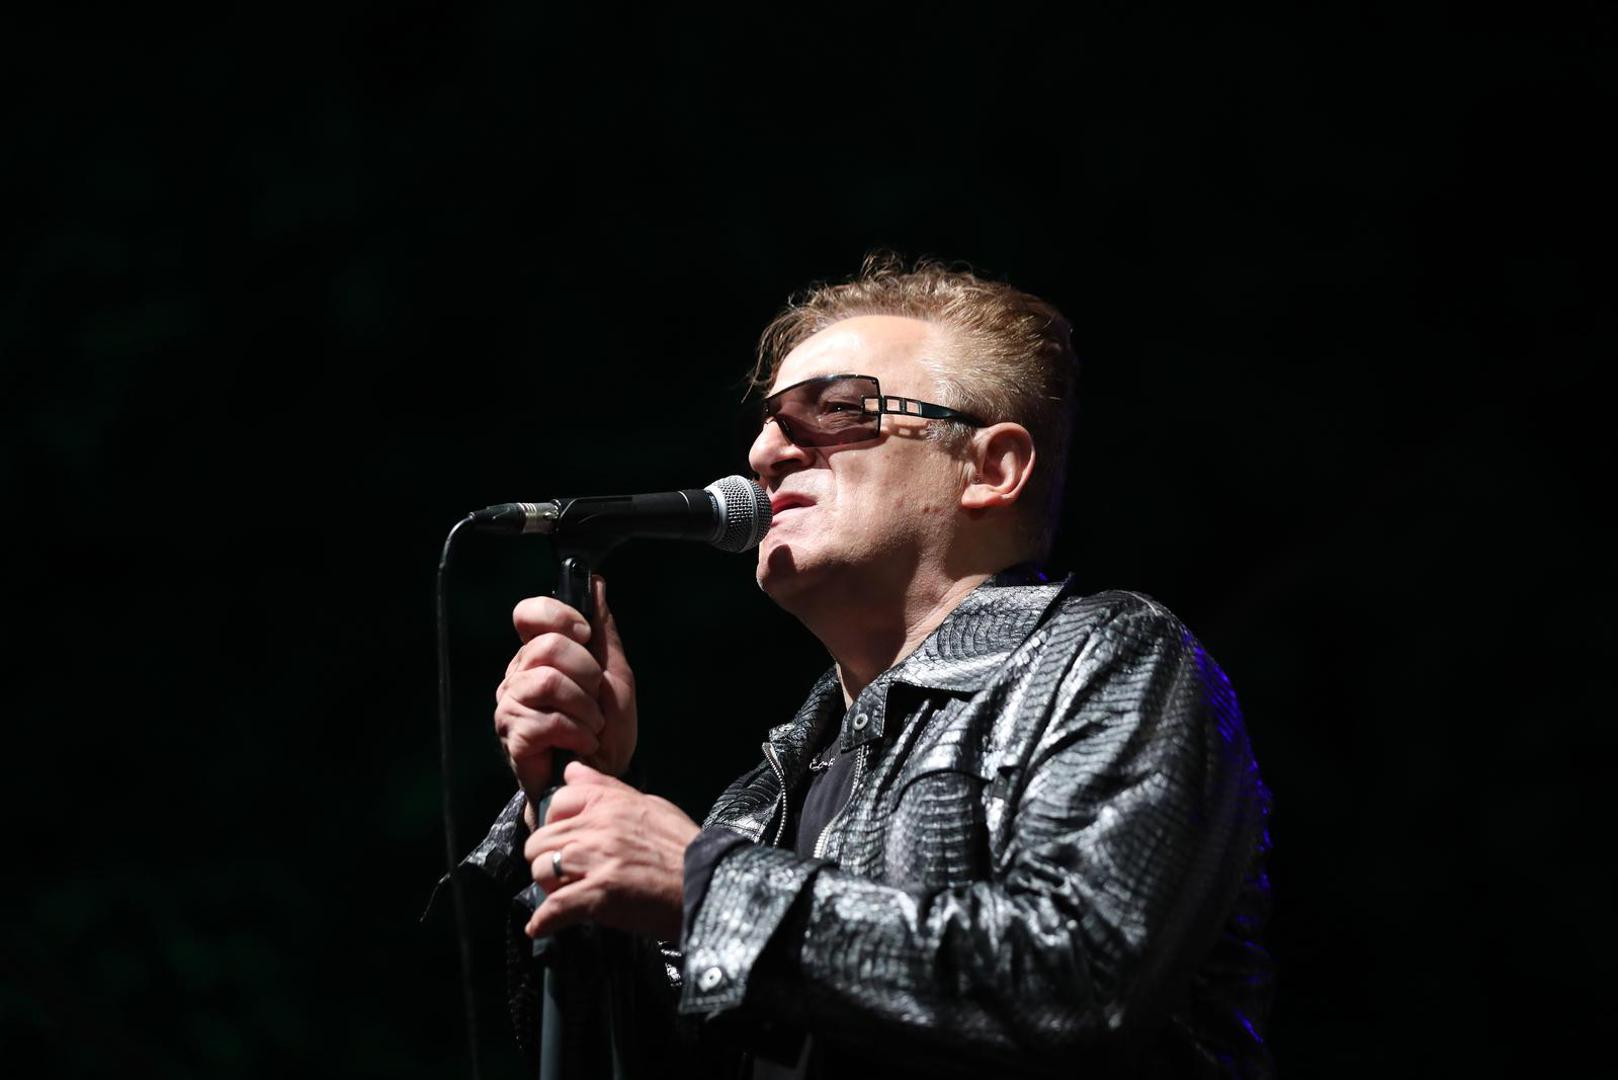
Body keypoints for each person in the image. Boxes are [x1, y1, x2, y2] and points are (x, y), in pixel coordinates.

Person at [462, 254, 1273, 1077]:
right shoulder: (764, 796)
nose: (764, 452)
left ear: (991, 469)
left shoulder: (1106, 656)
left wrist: (708, 887)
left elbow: (1077, 981)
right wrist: (575, 796)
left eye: (835, 409)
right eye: (769, 423)